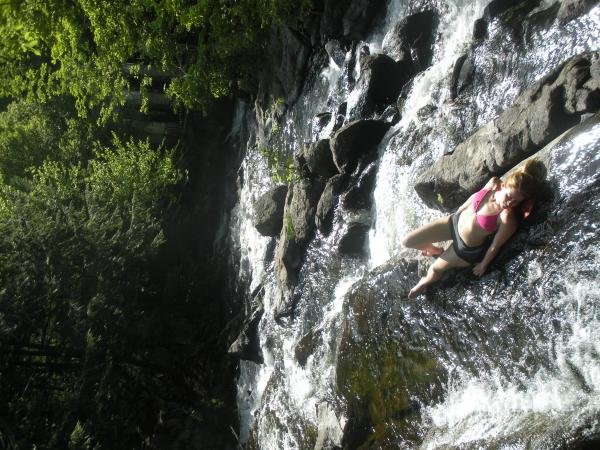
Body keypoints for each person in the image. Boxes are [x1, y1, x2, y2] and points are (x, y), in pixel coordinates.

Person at [402, 159, 546, 299]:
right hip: (453, 223)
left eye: (516, 202)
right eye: (509, 196)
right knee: (407, 241)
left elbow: (495, 245)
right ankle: (436, 250)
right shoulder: (492, 185)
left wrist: (483, 264)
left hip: (464, 250)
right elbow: (474, 198)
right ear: (504, 185)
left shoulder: (506, 218)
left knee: (434, 269)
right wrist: (459, 210)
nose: (510, 203)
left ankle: (424, 281)